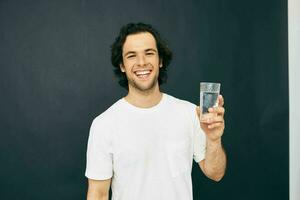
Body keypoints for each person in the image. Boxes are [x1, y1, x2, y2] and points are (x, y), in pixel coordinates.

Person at [85, 22, 226, 200]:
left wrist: (214, 140)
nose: (142, 62)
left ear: (160, 60)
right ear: (122, 65)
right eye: (131, 56)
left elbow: (216, 173)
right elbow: (98, 194)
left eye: (149, 53)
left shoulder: (190, 113)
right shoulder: (104, 125)